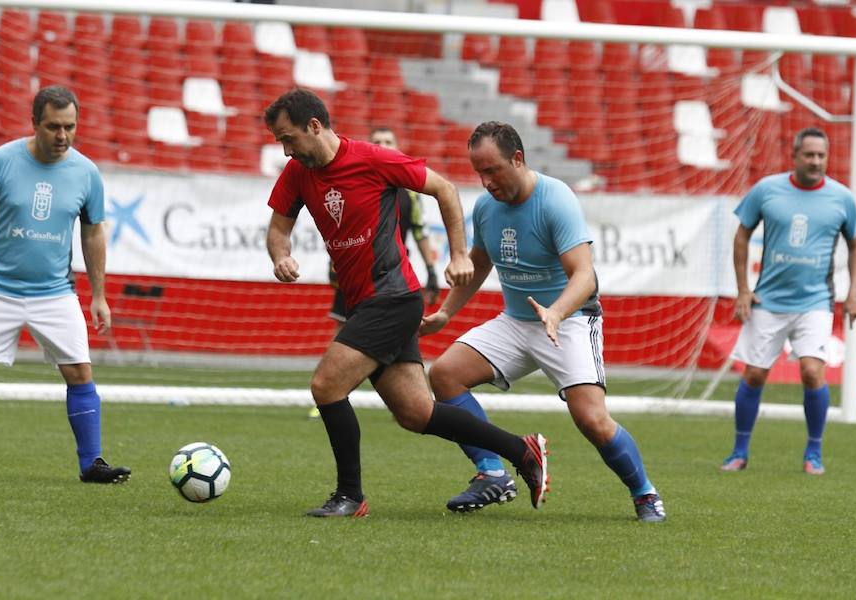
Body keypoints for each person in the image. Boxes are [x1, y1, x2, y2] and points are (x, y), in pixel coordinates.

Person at [264, 89, 547, 517]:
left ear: (315, 126)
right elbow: (278, 229)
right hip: (366, 303)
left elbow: (445, 189)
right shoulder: (297, 173)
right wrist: (280, 255)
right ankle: (522, 450)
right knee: (417, 413)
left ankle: (350, 496)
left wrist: (457, 254)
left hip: (393, 298)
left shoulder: (373, 159)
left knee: (326, 386)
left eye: (289, 138)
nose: (286, 150)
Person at [420, 121, 665, 522]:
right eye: (479, 172)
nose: (486, 182)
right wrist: (446, 313)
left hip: (569, 320)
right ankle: (493, 473)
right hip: (517, 322)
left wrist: (556, 312)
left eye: (493, 170)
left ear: (517, 159)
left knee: (592, 419)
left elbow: (584, 275)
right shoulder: (486, 208)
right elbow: (479, 265)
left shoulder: (556, 200)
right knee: (445, 375)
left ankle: (644, 494)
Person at [0, 85, 131, 484]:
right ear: (34, 124)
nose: (62, 136)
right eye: (53, 127)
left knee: (80, 372)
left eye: (70, 127)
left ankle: (91, 464)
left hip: (54, 293)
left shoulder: (86, 172)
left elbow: (93, 233)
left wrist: (99, 295)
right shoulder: (1, 161)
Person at [720, 127, 856, 476]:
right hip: (767, 300)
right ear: (795, 156)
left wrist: (854, 292)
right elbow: (742, 235)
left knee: (813, 372)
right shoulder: (768, 190)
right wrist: (743, 288)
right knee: (754, 375)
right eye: (809, 155)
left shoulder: (841, 198)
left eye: (821, 156)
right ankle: (739, 451)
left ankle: (813, 453)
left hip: (815, 301)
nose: (815, 161)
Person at [311, 126, 440, 419]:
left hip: (391, 280)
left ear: (398, 145)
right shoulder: (362, 179)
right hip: (354, 275)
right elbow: (338, 225)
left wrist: (432, 270)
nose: (384, 145)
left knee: (395, 338)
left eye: (389, 141)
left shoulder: (411, 191)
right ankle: (334, 395)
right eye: (378, 141)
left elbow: (420, 232)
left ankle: (343, 393)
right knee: (342, 332)